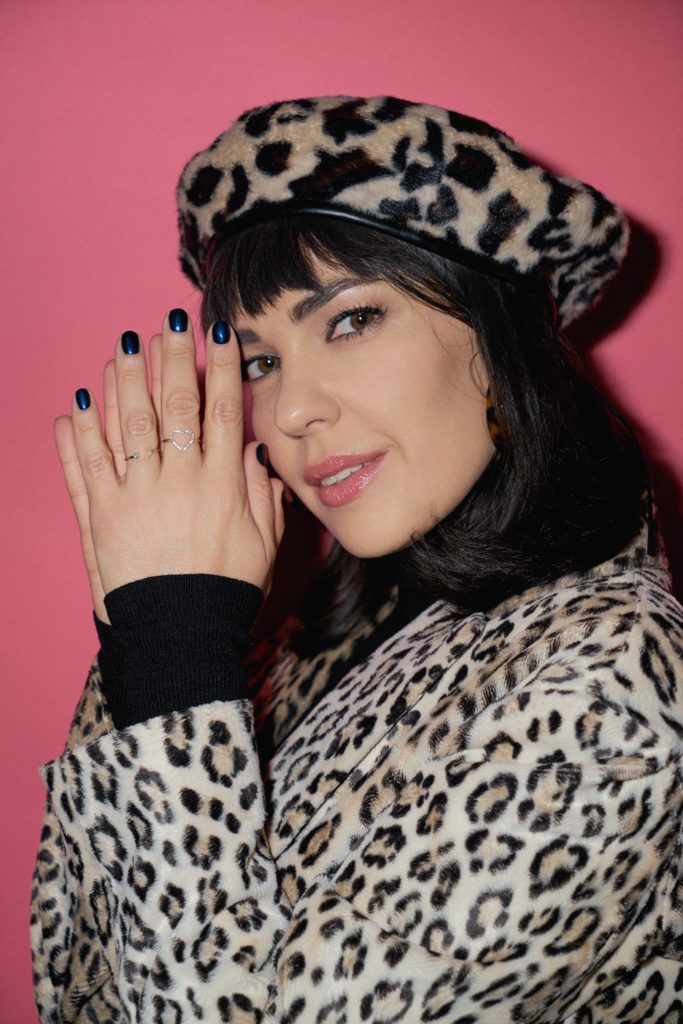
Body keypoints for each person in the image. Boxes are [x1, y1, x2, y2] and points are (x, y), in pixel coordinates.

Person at [31, 95, 683, 1023]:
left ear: (499, 342)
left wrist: (177, 646)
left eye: (349, 322)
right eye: (259, 362)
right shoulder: (307, 641)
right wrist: (146, 639)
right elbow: (76, 978)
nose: (292, 410)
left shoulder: (609, 671)